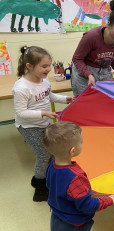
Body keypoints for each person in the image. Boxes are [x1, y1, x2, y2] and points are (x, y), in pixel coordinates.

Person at [12, 45, 73, 202]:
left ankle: (52, 179)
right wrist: (43, 113)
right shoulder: (21, 88)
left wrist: (66, 99)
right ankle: (40, 189)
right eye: (44, 66)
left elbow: (49, 95)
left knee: (53, 152)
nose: (48, 70)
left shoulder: (44, 81)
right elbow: (21, 113)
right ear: (29, 66)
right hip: (28, 126)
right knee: (43, 154)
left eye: (49, 66)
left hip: (43, 122)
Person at [43, 122, 114, 231]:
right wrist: (109, 200)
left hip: (57, 213)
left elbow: (52, 186)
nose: (82, 144)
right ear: (72, 151)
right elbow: (87, 205)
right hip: (74, 223)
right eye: (81, 143)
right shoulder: (75, 178)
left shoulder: (52, 164)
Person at [71, 0, 114, 96]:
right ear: (109, 25)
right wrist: (89, 74)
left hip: (104, 71)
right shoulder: (92, 36)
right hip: (84, 73)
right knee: (86, 103)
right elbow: (77, 59)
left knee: (109, 100)